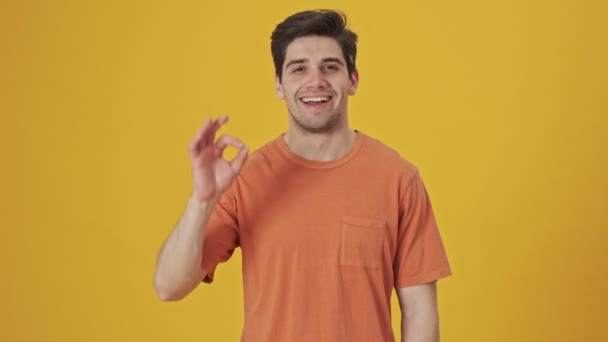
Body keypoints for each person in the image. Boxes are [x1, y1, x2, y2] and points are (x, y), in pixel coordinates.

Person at [154, 9, 452, 342]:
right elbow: (169, 286)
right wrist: (202, 201)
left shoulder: (399, 179)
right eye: (299, 69)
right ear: (279, 85)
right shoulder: (246, 177)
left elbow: (419, 312)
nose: (316, 81)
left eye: (330, 66)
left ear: (352, 80)